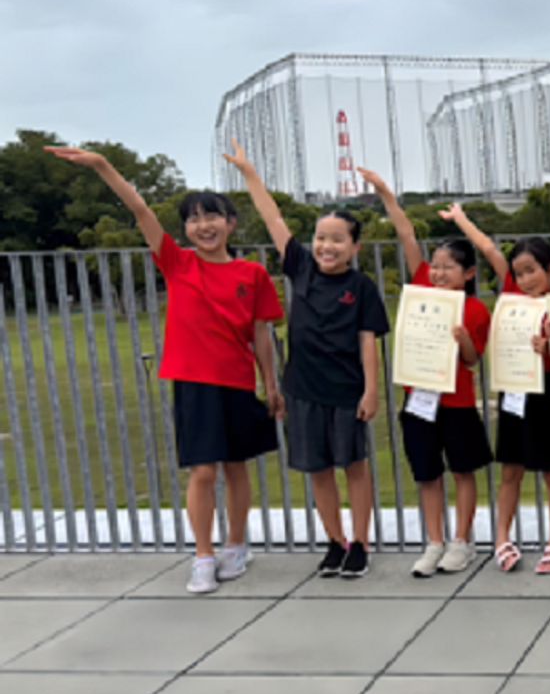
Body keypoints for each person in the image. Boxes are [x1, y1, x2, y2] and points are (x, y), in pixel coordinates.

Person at [46, 145, 283, 594]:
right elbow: (138, 209)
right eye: (193, 219)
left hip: (237, 381)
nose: (203, 226)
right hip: (194, 382)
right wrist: (101, 166)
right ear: (186, 229)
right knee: (203, 471)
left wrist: (271, 385)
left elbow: (262, 335)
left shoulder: (251, 274)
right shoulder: (177, 263)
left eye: (212, 216)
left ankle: (236, 545)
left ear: (230, 223)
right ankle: (203, 556)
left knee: (237, 469)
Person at [224, 140, 389, 579]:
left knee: (354, 467)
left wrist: (371, 391)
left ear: (354, 246)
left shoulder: (363, 287)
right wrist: (249, 173)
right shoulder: (300, 267)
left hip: (347, 390)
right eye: (321, 238)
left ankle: (360, 543)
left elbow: (368, 341)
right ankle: (334, 541)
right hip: (302, 388)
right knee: (316, 469)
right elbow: (273, 218)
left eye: (337, 240)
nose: (326, 246)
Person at [359, 169, 492, 578]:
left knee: (463, 471)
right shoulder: (422, 289)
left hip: (456, 402)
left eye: (449, 267)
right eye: (435, 266)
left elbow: (473, 360)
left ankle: (462, 540)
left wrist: (461, 339)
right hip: (419, 401)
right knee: (427, 473)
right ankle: (434, 540)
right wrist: (386, 196)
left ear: (468, 274)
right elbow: (406, 235)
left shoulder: (475, 310)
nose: (438, 273)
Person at [440, 204, 550, 574]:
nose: (525, 280)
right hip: (513, 387)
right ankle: (502, 538)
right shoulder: (513, 292)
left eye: (532, 271)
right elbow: (489, 250)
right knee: (510, 467)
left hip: (545, 390)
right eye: (520, 273)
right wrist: (461, 218)